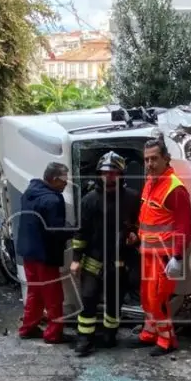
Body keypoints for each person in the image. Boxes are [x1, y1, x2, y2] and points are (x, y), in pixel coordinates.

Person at [70, 151, 140, 357]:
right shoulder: (89, 199)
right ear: (99, 174)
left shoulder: (133, 198)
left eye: (114, 173)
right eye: (105, 173)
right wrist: (75, 259)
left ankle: (110, 334)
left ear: (121, 175)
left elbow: (140, 225)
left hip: (120, 260)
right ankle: (85, 339)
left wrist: (135, 235)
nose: (108, 176)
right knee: (89, 298)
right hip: (93, 259)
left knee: (115, 300)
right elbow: (81, 232)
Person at [136, 138, 191, 357]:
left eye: (154, 159)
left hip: (163, 256)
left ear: (166, 159)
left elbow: (184, 226)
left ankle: (166, 340)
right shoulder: (151, 182)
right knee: (146, 297)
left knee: (157, 299)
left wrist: (177, 257)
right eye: (146, 160)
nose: (149, 164)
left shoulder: (174, 188)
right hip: (148, 253)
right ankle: (149, 334)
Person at [15, 162, 73, 344]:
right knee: (53, 295)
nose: (66, 183)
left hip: (29, 253)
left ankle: (27, 328)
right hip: (45, 255)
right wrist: (74, 230)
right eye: (64, 180)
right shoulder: (53, 200)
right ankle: (54, 334)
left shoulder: (30, 192)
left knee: (35, 292)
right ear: (55, 179)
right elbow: (55, 230)